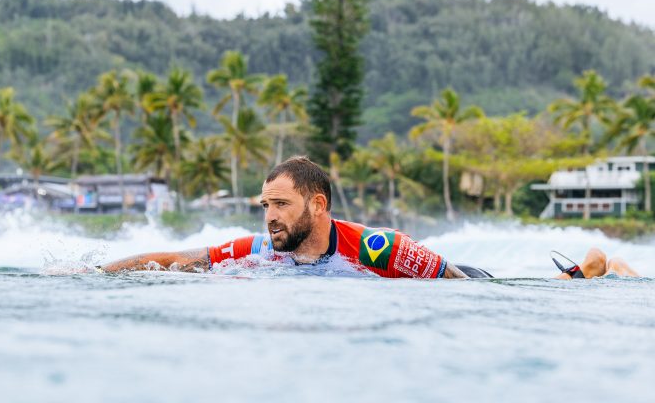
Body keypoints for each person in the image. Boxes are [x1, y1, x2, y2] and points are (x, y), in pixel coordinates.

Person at [100, 156, 640, 280]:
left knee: (572, 277)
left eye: (281, 204)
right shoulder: (262, 250)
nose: (270, 216)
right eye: (265, 205)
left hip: (463, 276)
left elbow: (459, 286)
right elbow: (179, 259)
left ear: (318, 205)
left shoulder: (380, 247)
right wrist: (100, 273)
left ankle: (589, 275)